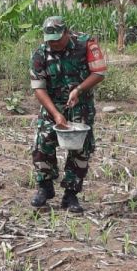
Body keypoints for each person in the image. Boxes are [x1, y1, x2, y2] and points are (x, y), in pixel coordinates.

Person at [29, 16, 107, 213]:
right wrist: (55, 114)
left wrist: (78, 90)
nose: (54, 43)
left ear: (67, 33)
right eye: (50, 39)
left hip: (80, 106)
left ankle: (71, 195)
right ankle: (44, 188)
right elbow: (39, 88)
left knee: (80, 149)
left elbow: (99, 72)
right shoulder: (40, 54)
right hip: (52, 106)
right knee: (42, 143)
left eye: (57, 38)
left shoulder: (86, 44)